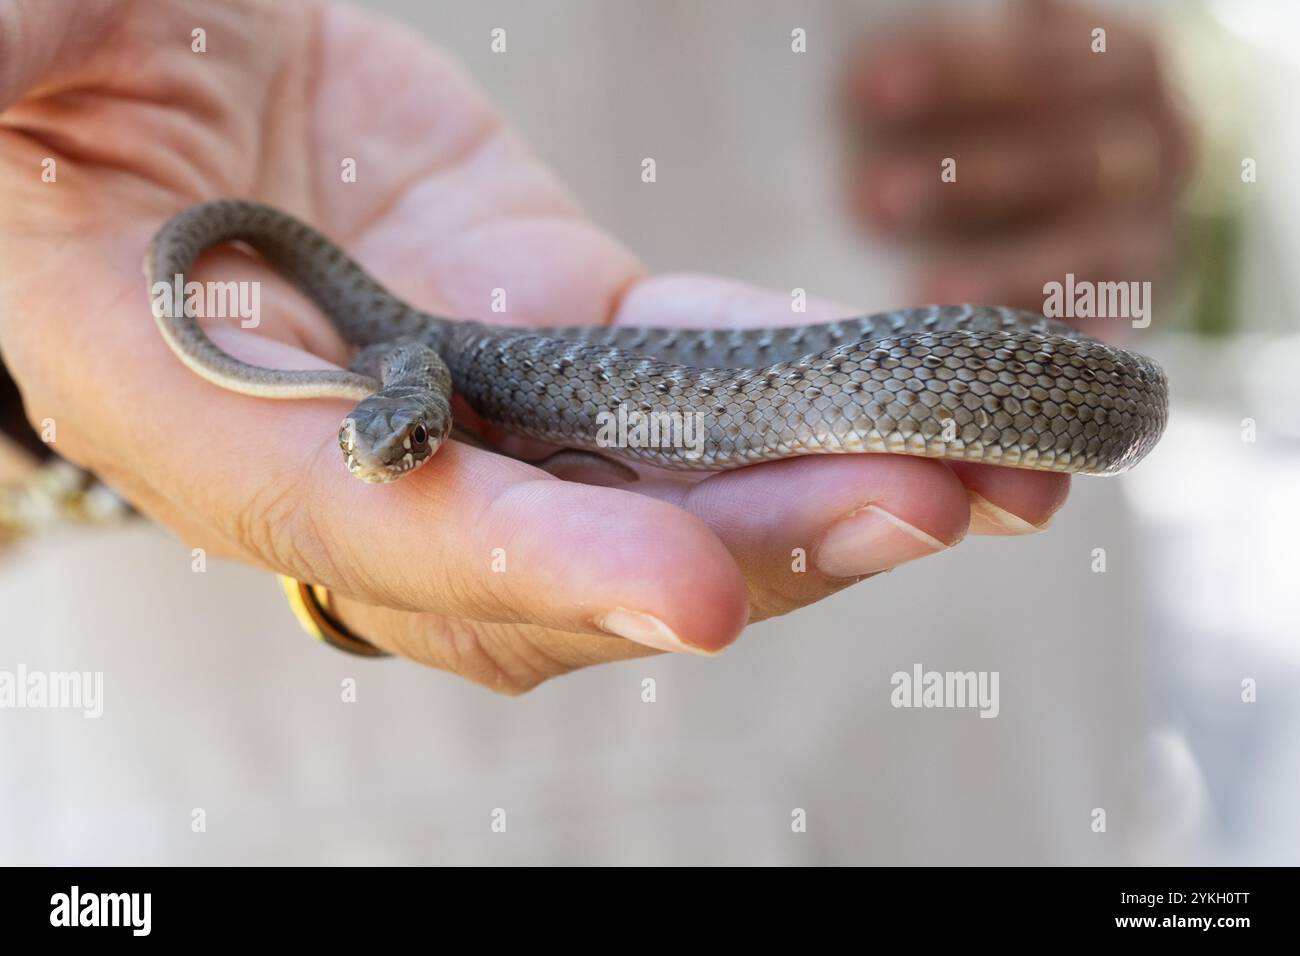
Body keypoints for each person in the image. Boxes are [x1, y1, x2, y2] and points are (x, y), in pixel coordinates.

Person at [0, 0, 1187, 699]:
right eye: (404, 436)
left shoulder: (429, 368)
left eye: (407, 435)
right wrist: (33, 393)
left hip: (990, 690)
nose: (398, 453)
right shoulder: (404, 366)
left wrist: (1124, 123)